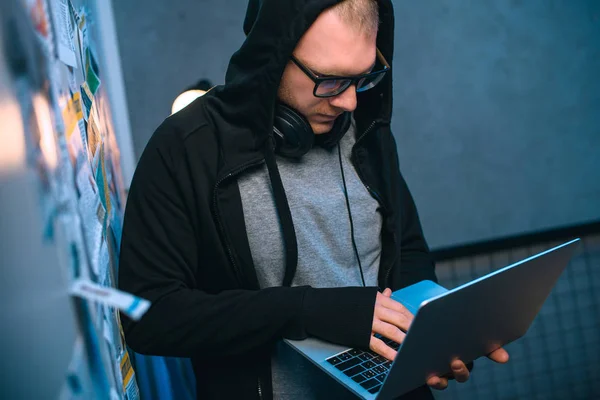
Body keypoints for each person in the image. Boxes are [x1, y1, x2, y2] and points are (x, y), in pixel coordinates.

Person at [118, 0, 509, 399]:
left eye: (363, 78)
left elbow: (405, 249)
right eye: (331, 81)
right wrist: (311, 312)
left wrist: (429, 335)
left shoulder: (366, 131)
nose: (350, 102)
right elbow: (151, 316)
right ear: (272, 55)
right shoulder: (187, 146)